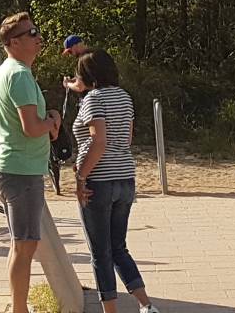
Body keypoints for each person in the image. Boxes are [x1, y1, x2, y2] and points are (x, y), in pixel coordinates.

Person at [72, 50, 159, 313]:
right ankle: (146, 305)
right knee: (119, 247)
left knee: (100, 252)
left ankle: (110, 309)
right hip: (125, 177)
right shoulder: (124, 97)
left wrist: (81, 176)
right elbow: (127, 138)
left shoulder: (94, 99)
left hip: (99, 180)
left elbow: (99, 141)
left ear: (88, 75)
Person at [0, 12, 62, 313]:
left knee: (20, 244)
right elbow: (31, 127)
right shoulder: (19, 74)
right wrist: (53, 122)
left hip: (11, 168)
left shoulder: (8, 71)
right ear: (14, 42)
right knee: (25, 245)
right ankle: (19, 308)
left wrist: (48, 121)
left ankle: (17, 305)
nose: (38, 37)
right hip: (20, 172)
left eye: (37, 31)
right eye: (31, 33)